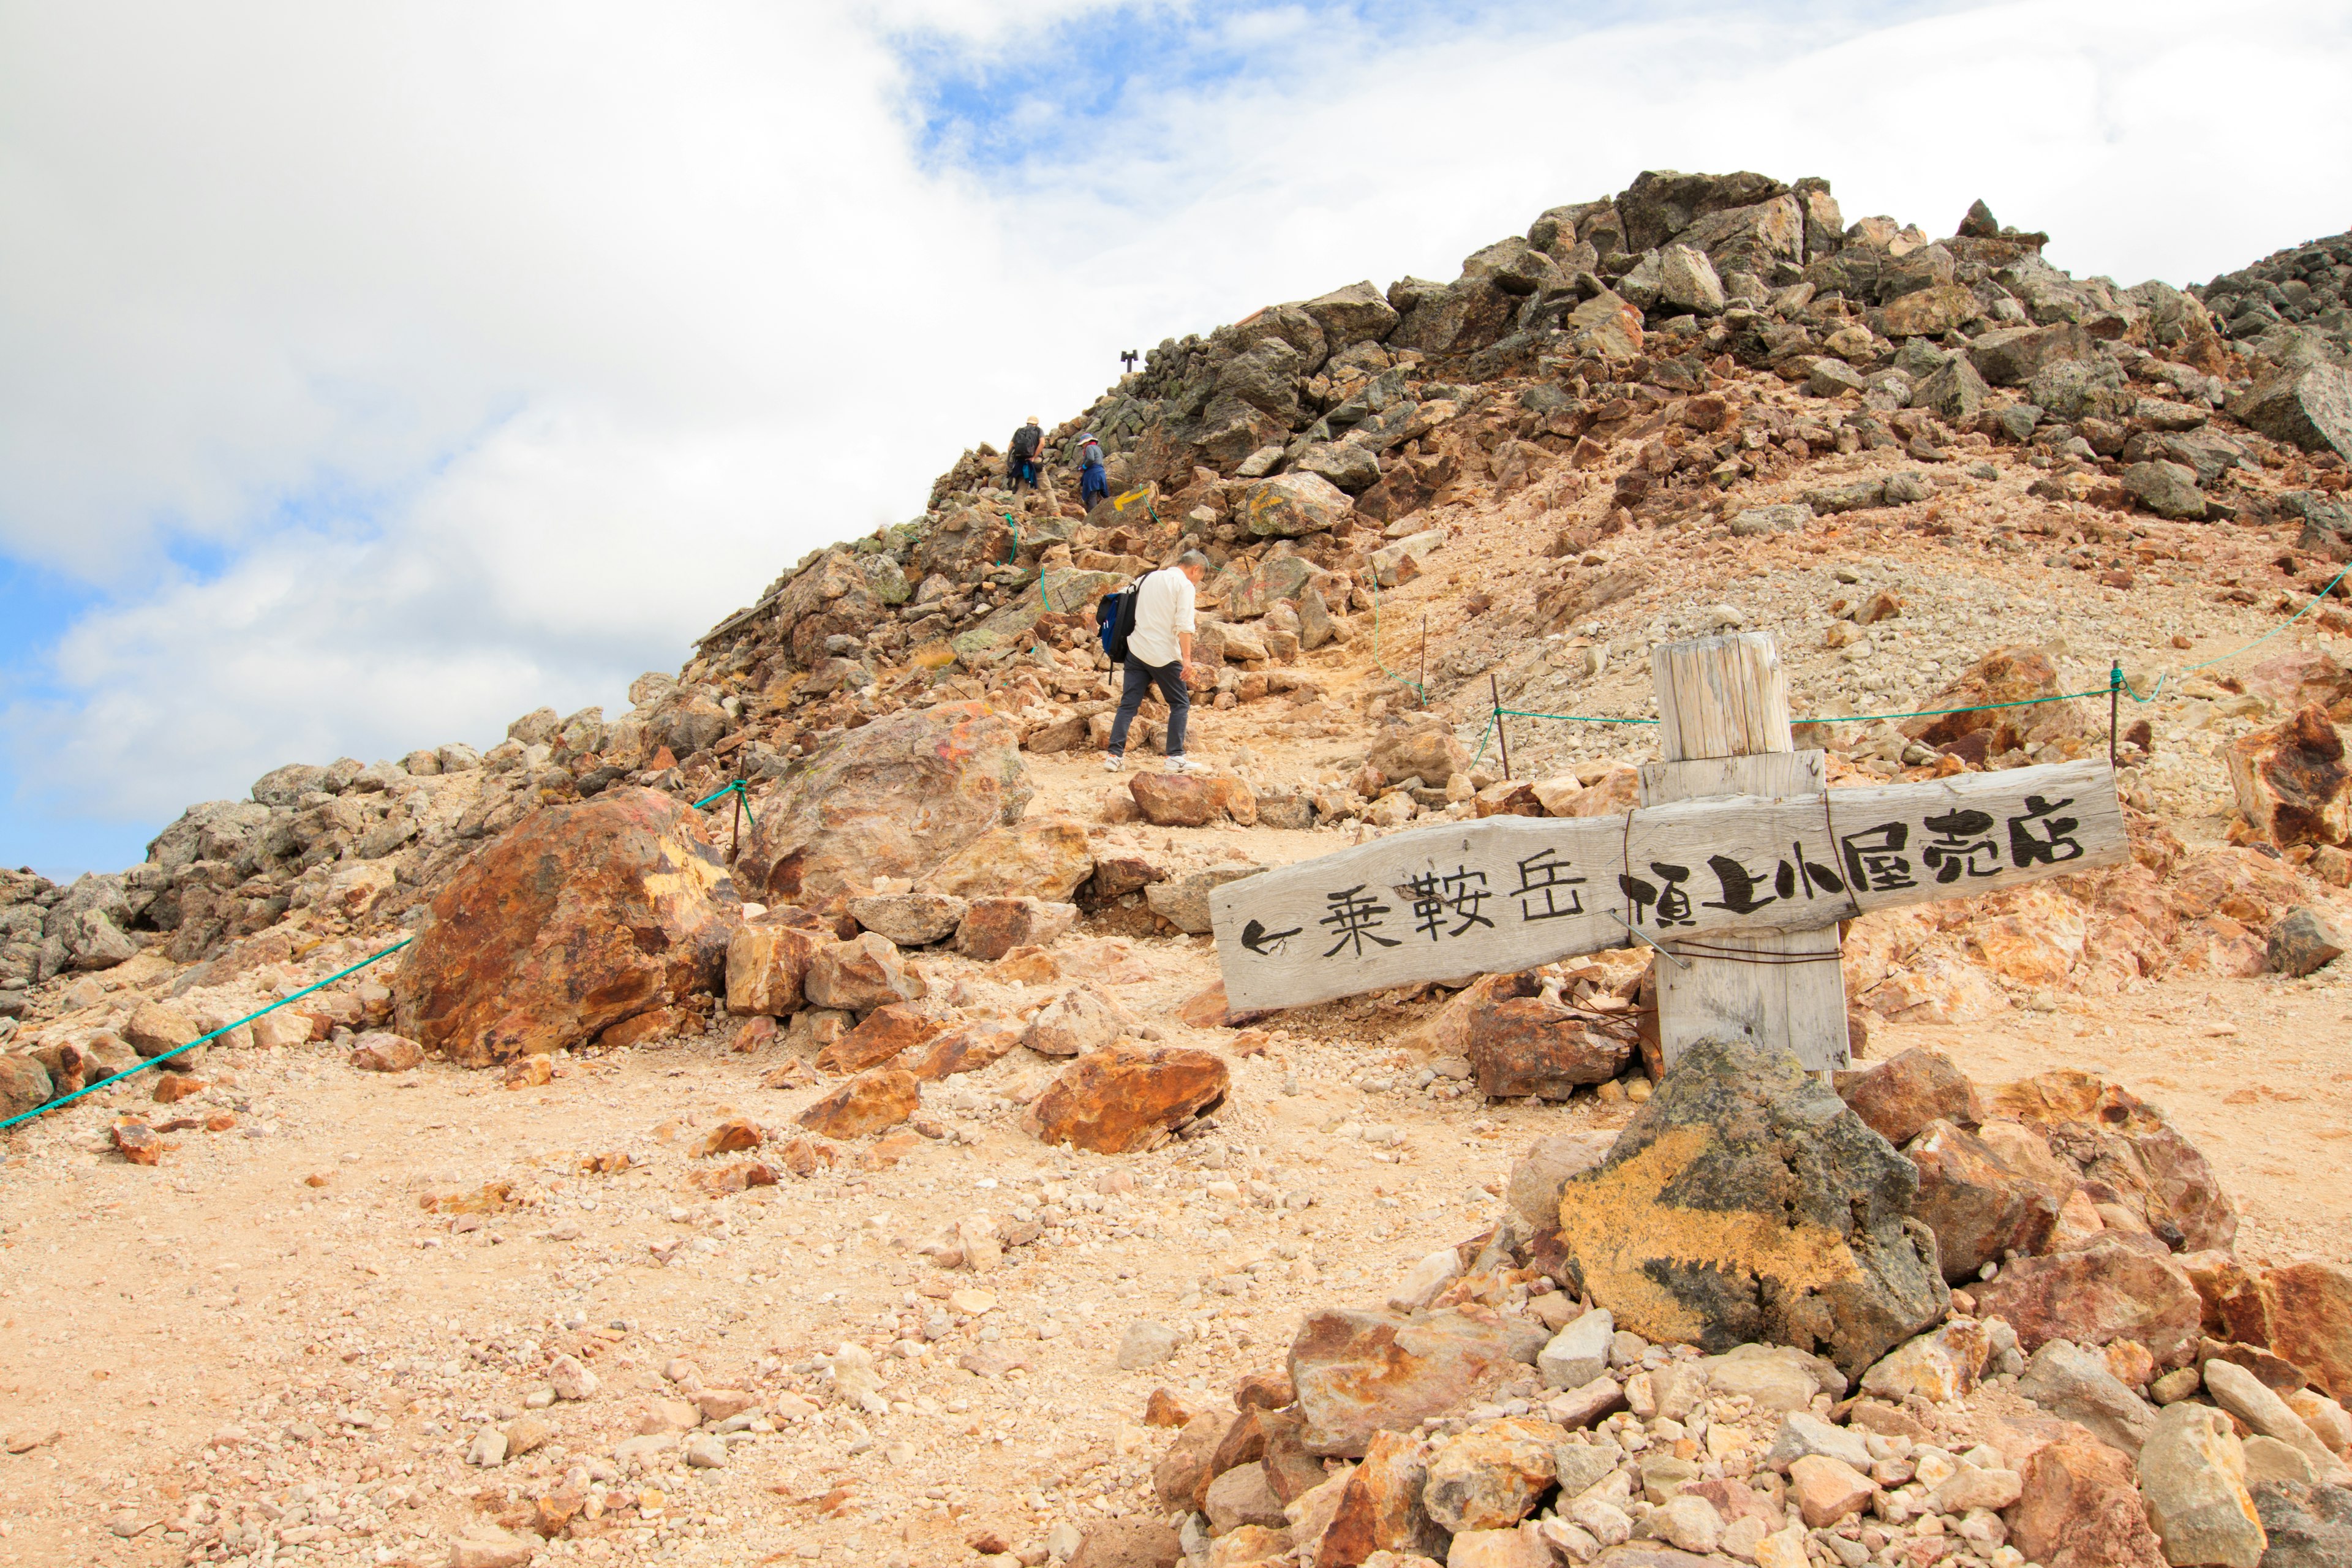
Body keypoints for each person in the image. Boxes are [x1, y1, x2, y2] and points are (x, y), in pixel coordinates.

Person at [1106, 551, 1211, 775]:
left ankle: (1114, 756)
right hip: (1163, 654)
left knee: (1128, 704)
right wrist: (1187, 659)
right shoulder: (1184, 586)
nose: (1196, 582)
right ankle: (1175, 757)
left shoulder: (1147, 578)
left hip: (1136, 650)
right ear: (1196, 569)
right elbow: (1184, 625)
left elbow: (1122, 600)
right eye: (1199, 577)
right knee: (1180, 704)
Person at [1008, 415, 1044, 491]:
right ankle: (1053, 504)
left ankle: (1018, 504)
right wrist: (1034, 457)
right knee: (1047, 489)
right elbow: (1042, 444)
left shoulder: (1019, 431)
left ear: (1027, 423)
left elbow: (1010, 448)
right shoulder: (1038, 430)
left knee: (1020, 491)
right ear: (1036, 424)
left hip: (1021, 463)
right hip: (1035, 461)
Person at [1076, 431, 1109, 513]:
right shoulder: (1098, 448)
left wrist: (1083, 467)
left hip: (1093, 474)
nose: (1083, 447)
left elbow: (1091, 459)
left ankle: (1092, 518)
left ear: (1087, 442)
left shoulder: (1089, 447)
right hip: (1101, 473)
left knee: (1091, 496)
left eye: (1083, 445)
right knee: (1100, 496)